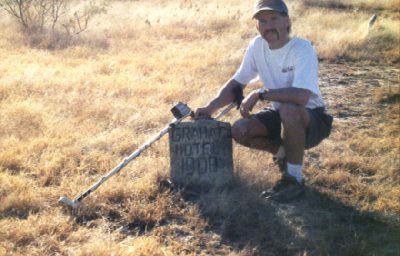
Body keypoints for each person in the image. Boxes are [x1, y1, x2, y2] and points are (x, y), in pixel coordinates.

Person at [194, 0, 333, 202]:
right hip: (281, 114)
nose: (268, 25)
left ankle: (294, 180)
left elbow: (302, 97)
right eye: (262, 20)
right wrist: (210, 108)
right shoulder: (257, 46)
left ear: (287, 21)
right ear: (256, 25)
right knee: (239, 130)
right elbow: (237, 82)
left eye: (274, 18)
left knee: (289, 108)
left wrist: (260, 94)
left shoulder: (302, 48)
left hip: (312, 120)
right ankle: (284, 154)